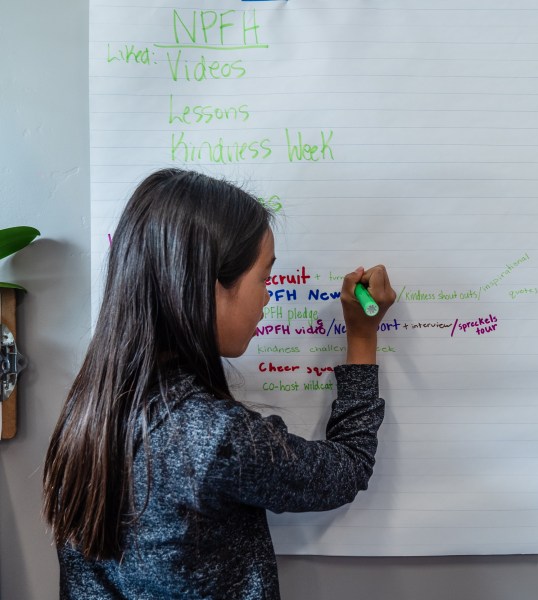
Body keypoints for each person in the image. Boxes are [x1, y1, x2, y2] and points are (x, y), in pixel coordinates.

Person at [42, 168, 396, 599]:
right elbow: (347, 468)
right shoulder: (215, 437)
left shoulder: (87, 412)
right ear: (210, 286)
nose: (269, 295)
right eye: (265, 277)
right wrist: (362, 335)